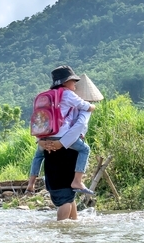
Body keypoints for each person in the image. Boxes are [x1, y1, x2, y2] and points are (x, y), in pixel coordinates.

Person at [26, 65, 95, 195]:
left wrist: (40, 139)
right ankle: (78, 181)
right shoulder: (67, 94)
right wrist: (93, 106)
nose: (75, 84)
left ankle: (31, 183)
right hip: (60, 136)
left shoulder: (47, 95)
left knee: (38, 156)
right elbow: (84, 106)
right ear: (66, 82)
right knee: (85, 149)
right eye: (73, 81)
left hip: (44, 136)